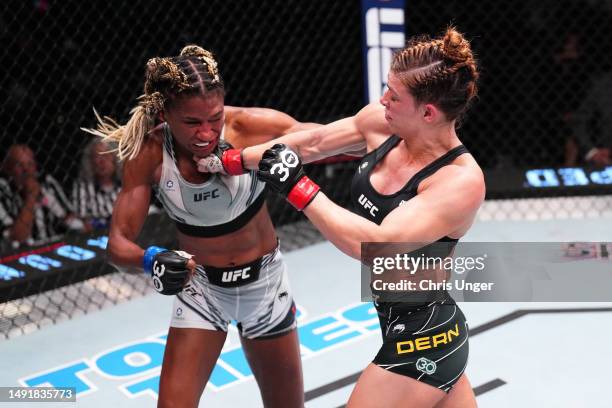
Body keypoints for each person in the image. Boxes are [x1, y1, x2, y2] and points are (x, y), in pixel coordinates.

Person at [197, 27, 484, 407]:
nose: (383, 100)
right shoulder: (383, 124)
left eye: (394, 96)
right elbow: (311, 143)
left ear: (428, 113)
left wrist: (299, 188)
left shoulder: (459, 181)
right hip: (403, 326)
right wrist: (232, 161)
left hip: (425, 337)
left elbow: (377, 246)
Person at [85, 45, 318, 408]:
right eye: (192, 123)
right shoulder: (149, 151)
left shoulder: (248, 127)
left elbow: (333, 138)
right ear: (165, 114)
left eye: (215, 118)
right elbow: (117, 245)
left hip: (265, 285)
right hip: (202, 290)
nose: (207, 133)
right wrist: (151, 259)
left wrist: (404, 141)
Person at [0, 144, 83, 248]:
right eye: (19, 165)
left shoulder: (46, 182)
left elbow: (71, 218)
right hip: (21, 253)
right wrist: (31, 196)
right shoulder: (3, 191)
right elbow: (17, 237)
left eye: (30, 164)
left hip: (55, 245)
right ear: (8, 169)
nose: (26, 170)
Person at [71, 139, 122, 231]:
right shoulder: (83, 188)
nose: (102, 161)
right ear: (90, 162)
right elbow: (82, 221)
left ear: (115, 158)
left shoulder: (124, 185)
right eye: (97, 157)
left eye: (107, 155)